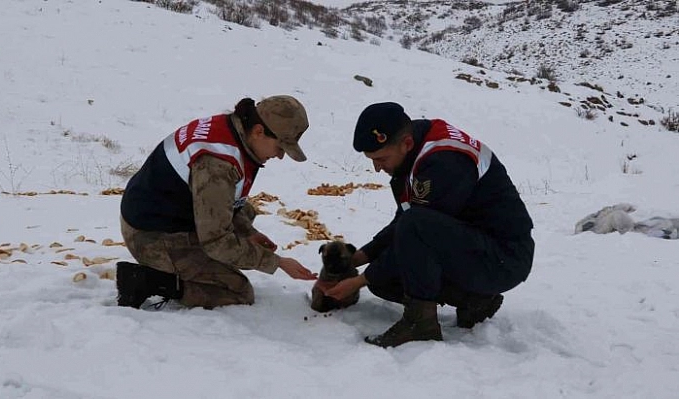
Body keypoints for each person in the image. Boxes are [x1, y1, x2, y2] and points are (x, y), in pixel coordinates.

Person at [325, 102, 534, 348]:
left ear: (406, 143)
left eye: (381, 159)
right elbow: (404, 223)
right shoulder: (413, 153)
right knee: (384, 279)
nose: (377, 168)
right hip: (473, 246)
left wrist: (361, 280)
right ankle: (474, 300)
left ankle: (420, 324)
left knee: (391, 259)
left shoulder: (444, 162)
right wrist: (361, 257)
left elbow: (417, 228)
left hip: (504, 258)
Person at [116, 95, 318, 310]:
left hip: (161, 213)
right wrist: (275, 262)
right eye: (280, 147)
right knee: (237, 291)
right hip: (150, 235)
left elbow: (228, 202)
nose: (279, 156)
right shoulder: (217, 166)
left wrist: (247, 232)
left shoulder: (234, 128)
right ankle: (149, 281)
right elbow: (216, 242)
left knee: (246, 213)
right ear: (259, 131)